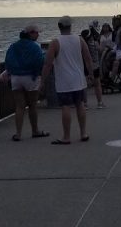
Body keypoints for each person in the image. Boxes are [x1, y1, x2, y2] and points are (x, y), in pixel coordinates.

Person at [40, 16, 93, 144]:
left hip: (64, 81)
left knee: (66, 106)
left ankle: (67, 136)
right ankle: (83, 133)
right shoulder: (79, 40)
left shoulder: (55, 42)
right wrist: (90, 74)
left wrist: (42, 80)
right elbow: (88, 58)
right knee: (80, 105)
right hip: (78, 80)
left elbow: (48, 63)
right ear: (70, 27)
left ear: (59, 26)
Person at [4, 25, 49, 141]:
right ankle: (35, 131)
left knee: (19, 106)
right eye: (36, 33)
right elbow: (40, 61)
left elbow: (8, 60)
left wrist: (10, 73)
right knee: (33, 105)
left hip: (16, 78)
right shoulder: (35, 47)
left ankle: (18, 133)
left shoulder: (13, 46)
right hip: (30, 77)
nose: (38, 35)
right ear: (30, 34)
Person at [81, 28, 105, 109]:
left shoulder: (82, 45)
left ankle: (85, 104)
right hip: (95, 66)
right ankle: (100, 103)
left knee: (84, 86)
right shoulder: (94, 43)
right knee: (97, 84)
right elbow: (101, 50)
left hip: (84, 66)